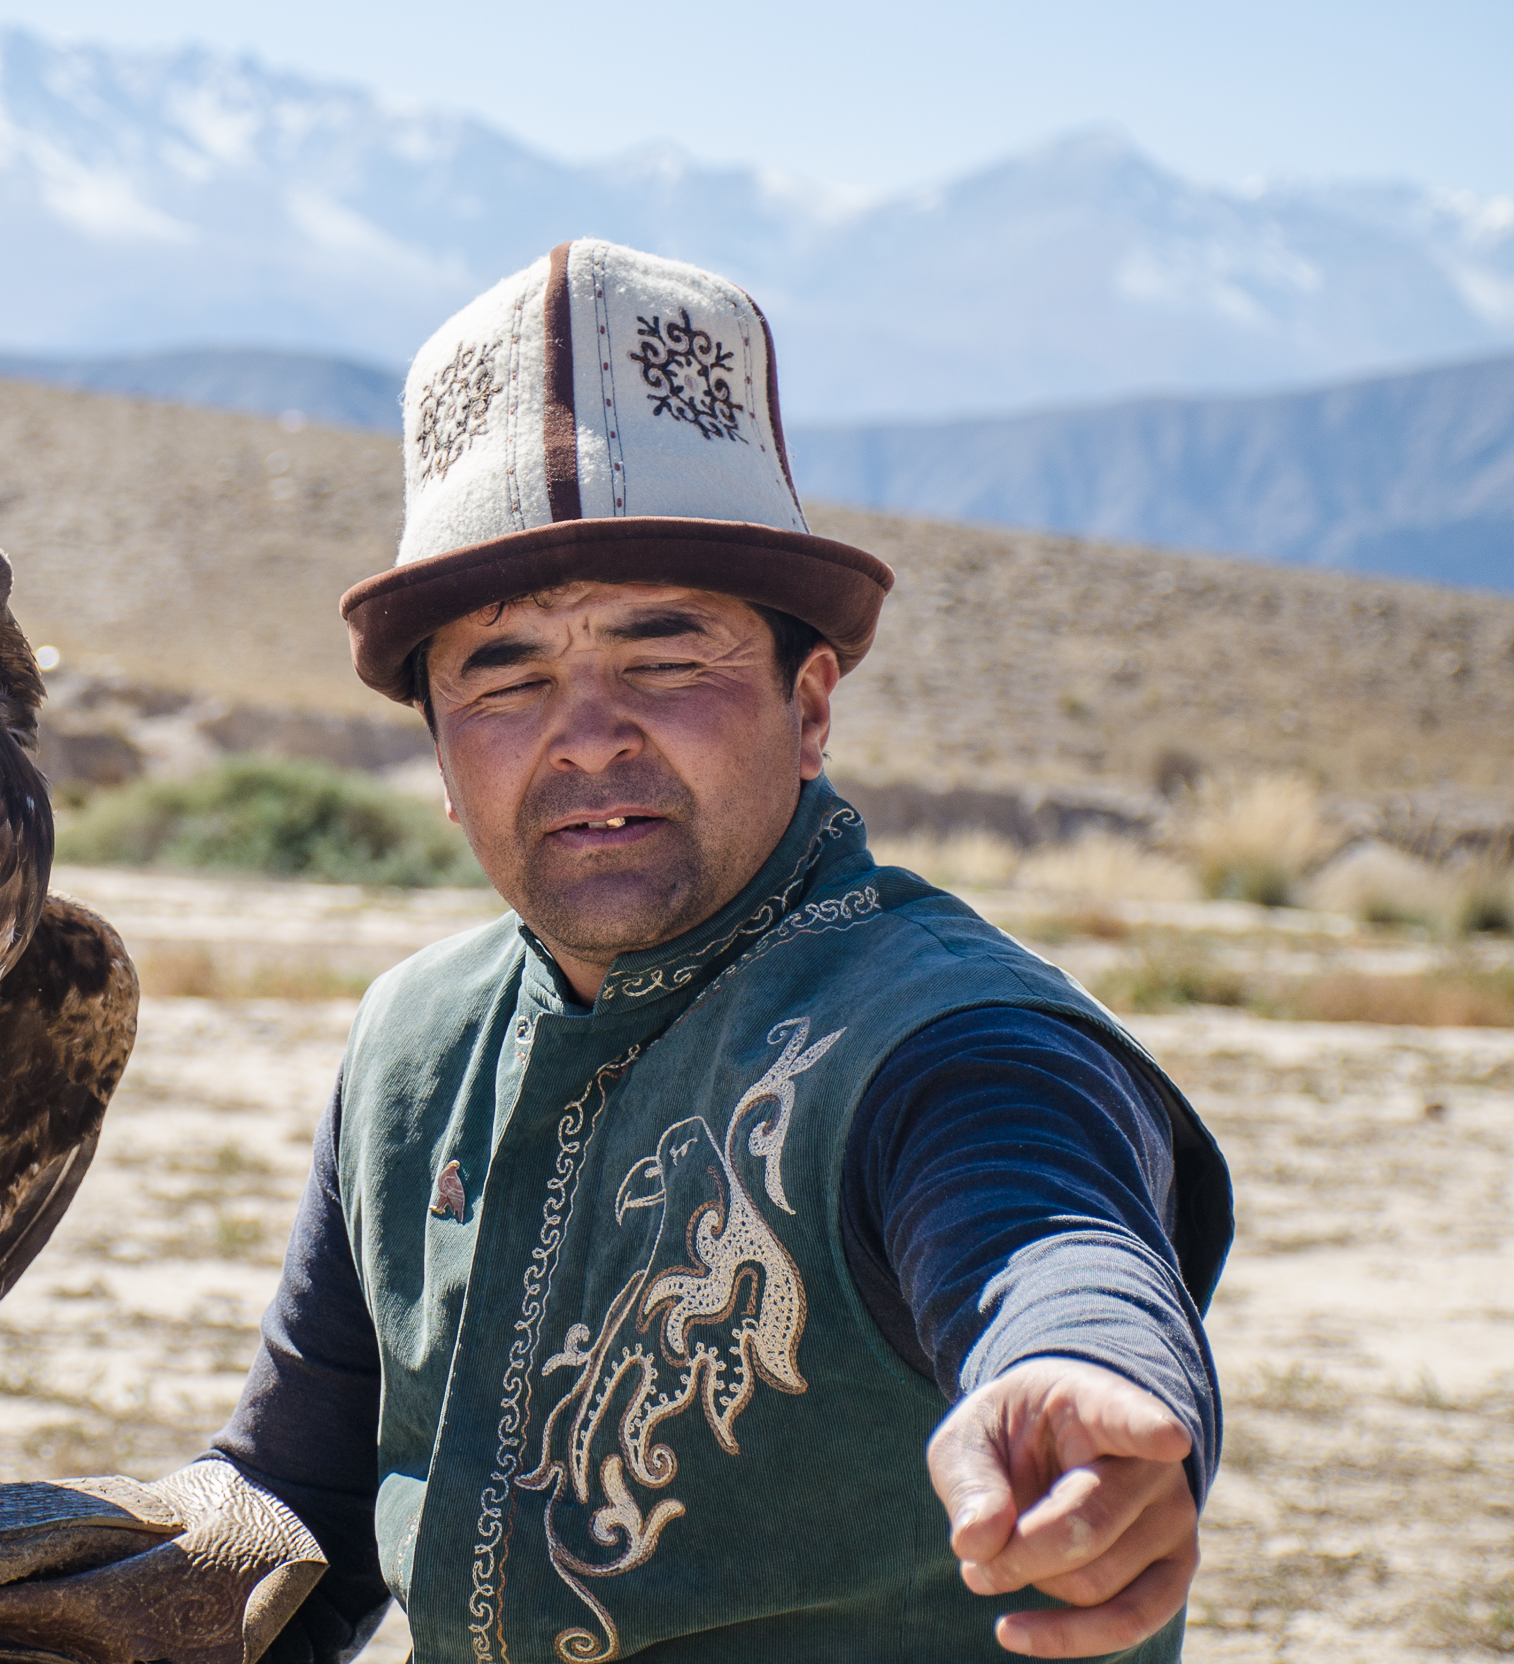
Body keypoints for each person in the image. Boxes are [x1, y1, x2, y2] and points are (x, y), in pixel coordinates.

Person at [194, 241, 1231, 1664]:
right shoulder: (416, 1040)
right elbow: (295, 1502)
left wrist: (1071, 1376)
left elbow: (1040, 1235)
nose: (587, 732)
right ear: (438, 751)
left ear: (811, 710)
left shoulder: (939, 1032)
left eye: (667, 657)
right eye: (503, 673)